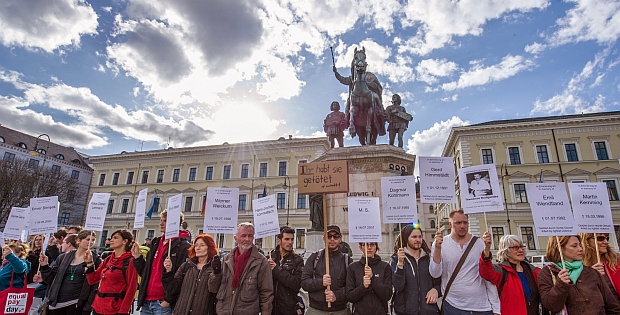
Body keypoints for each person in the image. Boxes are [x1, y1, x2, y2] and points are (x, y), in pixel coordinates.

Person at [429, 209, 500, 315]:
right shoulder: (440, 243)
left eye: (465, 222)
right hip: (453, 305)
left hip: (481, 307)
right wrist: (438, 249)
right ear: (450, 224)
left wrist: (496, 308)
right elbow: (435, 273)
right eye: (458, 223)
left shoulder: (479, 243)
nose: (462, 226)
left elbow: (487, 276)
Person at [538, 235, 620, 314]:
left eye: (580, 246)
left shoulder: (591, 272)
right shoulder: (548, 272)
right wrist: (561, 285)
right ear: (559, 248)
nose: (580, 249)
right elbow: (551, 306)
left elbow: (612, 306)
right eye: (574, 246)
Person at [131, 210, 191, 315]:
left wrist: (168, 300)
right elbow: (145, 272)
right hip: (147, 301)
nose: (161, 223)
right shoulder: (156, 242)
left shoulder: (183, 246)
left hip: (163, 302)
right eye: (161, 220)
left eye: (165, 221)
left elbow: (182, 277)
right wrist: (137, 257)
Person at [212, 222, 273, 314]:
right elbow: (213, 289)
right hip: (224, 312)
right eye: (243, 236)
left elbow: (266, 294)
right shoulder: (226, 260)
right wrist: (216, 273)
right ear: (235, 238)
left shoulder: (261, 262)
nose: (247, 239)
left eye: (250, 236)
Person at [37, 230, 102, 315]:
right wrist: (45, 265)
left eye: (93, 240)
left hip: (76, 304)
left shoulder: (96, 259)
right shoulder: (63, 257)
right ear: (78, 240)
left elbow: (95, 285)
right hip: (57, 303)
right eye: (88, 239)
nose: (91, 242)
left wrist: (88, 306)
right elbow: (50, 279)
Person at [479, 233, 540, 315]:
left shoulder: (532, 271)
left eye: (521, 247)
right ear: (506, 250)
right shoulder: (501, 270)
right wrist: (487, 248)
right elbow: (486, 272)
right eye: (515, 248)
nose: (521, 250)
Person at [162, 233, 220, 315]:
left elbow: (214, 289)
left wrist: (216, 272)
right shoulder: (186, 266)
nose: (198, 248)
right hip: (181, 311)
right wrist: (168, 271)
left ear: (209, 247)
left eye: (202, 245)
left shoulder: (214, 268)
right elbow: (171, 289)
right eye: (196, 245)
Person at [301, 225, 353, 315]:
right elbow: (304, 283)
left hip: (340, 311)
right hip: (316, 311)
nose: (332, 239)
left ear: (340, 239)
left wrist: (336, 295)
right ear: (324, 238)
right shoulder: (314, 258)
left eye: (335, 236)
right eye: (329, 236)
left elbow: (351, 287)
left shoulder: (347, 260)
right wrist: (321, 282)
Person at [85, 229, 138, 315]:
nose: (111, 240)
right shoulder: (108, 259)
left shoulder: (130, 261)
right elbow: (92, 280)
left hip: (115, 308)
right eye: (111, 238)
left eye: (115, 238)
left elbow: (131, 288)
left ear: (125, 241)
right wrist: (89, 263)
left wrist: (124, 311)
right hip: (98, 306)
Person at [391, 225, 440, 315]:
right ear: (406, 238)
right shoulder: (396, 260)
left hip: (428, 311)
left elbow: (440, 282)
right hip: (405, 312)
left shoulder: (429, 258)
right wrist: (400, 264)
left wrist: (436, 290)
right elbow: (398, 286)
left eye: (420, 237)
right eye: (414, 237)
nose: (418, 240)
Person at [346, 242, 392, 315]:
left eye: (372, 244)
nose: (369, 247)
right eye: (366, 245)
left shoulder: (385, 267)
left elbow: (387, 295)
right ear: (360, 247)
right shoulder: (353, 268)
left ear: (376, 247)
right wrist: (363, 287)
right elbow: (350, 296)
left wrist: (373, 279)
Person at [268, 226, 304, 315]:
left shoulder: (297, 260)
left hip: (288, 309)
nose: (290, 242)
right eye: (287, 239)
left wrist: (277, 270)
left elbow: (296, 284)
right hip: (271, 308)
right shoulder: (269, 258)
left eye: (292, 239)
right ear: (279, 240)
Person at [580, 232, 620, 300]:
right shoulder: (578, 266)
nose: (606, 242)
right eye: (600, 238)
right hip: (599, 308)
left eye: (607, 238)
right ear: (586, 241)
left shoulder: (616, 261)